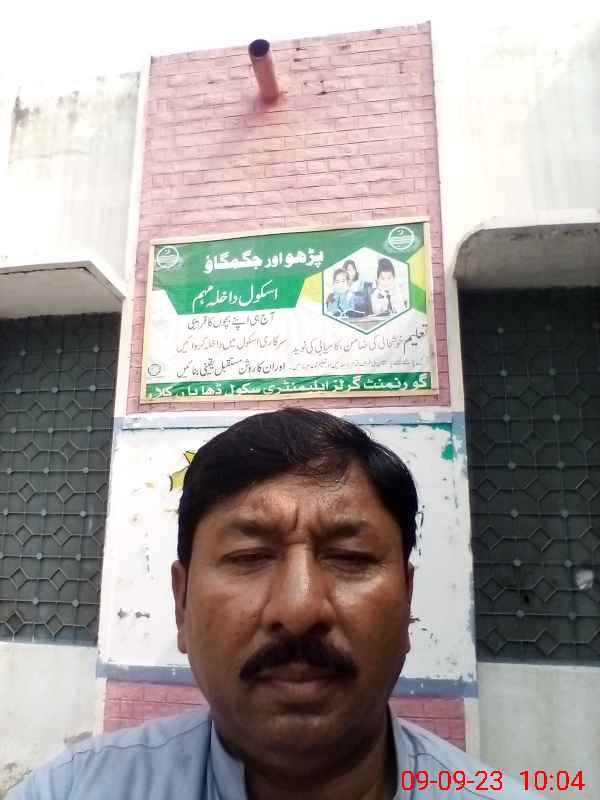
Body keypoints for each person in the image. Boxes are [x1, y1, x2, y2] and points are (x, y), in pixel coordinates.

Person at [9, 409, 535, 799]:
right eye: (249, 557)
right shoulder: (73, 789)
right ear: (181, 604)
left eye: (349, 558)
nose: (300, 608)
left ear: (407, 600)